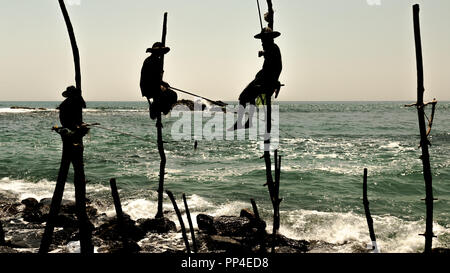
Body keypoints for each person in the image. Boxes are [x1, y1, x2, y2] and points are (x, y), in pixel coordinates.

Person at [230, 27, 282, 131]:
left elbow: (273, 62)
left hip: (266, 84)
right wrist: (263, 53)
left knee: (242, 98)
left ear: (269, 39)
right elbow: (270, 57)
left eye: (263, 40)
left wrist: (263, 53)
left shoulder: (273, 49)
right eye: (261, 41)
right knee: (246, 97)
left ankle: (243, 122)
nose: (262, 43)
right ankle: (248, 122)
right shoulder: (272, 48)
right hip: (263, 81)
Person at [140, 42, 178, 120]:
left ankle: (159, 108)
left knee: (168, 96)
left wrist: (163, 83)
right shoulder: (154, 61)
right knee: (173, 95)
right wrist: (163, 83)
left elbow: (156, 77)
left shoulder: (151, 60)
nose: (161, 54)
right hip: (150, 87)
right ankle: (159, 108)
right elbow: (153, 77)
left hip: (148, 86)